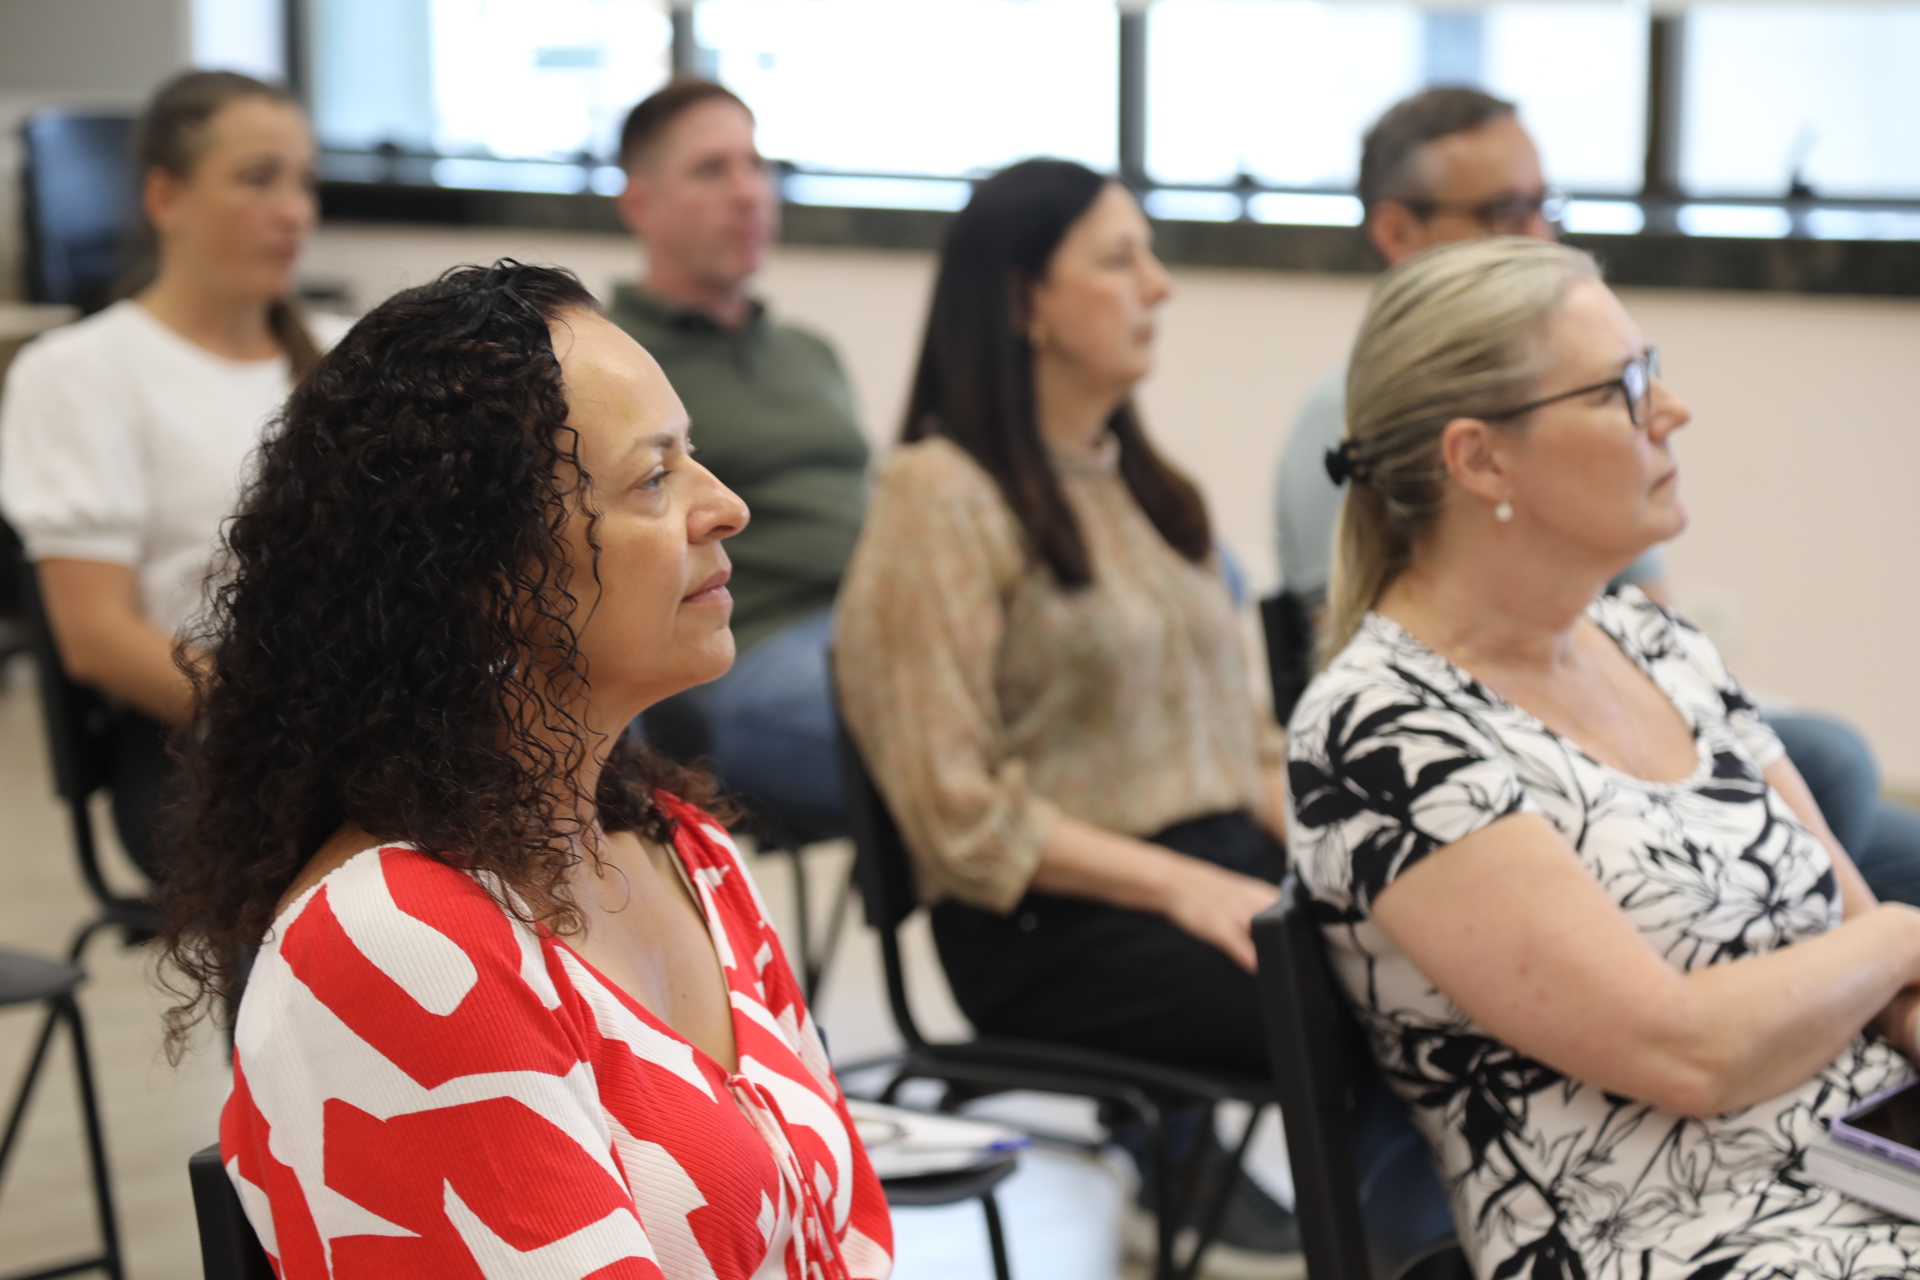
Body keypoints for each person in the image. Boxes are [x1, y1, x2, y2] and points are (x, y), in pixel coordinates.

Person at [156, 262, 893, 1279]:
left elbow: (849, 1243)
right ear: (489, 573)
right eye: (653, 477)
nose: (726, 506)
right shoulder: (392, 946)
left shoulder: (691, 851)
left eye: (696, 457)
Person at [1287, 236, 1920, 1280]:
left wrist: (1895, 969)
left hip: (1866, 1170)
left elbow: (1872, 955)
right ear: (1480, 458)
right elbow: (1687, 1052)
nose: (1671, 409)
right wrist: (1898, 936)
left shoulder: (1658, 644)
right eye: (1624, 386)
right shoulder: (1383, 732)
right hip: (1678, 1237)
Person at [1272, 85, 1920, 907]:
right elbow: (1679, 1038)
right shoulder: (1357, 430)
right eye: (1507, 210)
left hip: (1595, 706)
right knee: (1835, 773)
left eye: (1545, 204)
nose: (1538, 233)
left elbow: (1655, 612)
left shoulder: (1646, 636)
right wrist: (1883, 948)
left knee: (1855, 823)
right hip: (1536, 773)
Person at [834, 159, 1297, 1271]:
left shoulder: (1150, 488)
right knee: (1360, 1004)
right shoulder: (937, 496)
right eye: (1118, 258)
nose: (1159, 286)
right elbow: (958, 817)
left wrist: (1357, 864)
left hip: (1207, 873)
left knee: (1438, 952)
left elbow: (1246, 751)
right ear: (1021, 299)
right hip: (1050, 923)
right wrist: (1186, 885)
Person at [0, 69, 348, 880]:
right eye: (258, 178)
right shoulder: (78, 371)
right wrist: (309, 727)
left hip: (359, 726)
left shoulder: (350, 354)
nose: (295, 210)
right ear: (167, 198)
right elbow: (97, 638)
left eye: (304, 181)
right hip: (197, 753)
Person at [609, 78, 867, 821]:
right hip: (744, 647)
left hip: (874, 627)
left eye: (756, 165)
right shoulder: (614, 363)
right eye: (711, 170)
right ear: (640, 205)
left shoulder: (810, 352)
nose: (749, 192)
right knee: (961, 733)